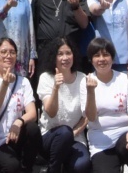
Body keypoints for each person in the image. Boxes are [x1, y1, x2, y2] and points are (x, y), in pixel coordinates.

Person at [81, 38, 128, 173]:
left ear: (113, 58)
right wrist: (90, 91)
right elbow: (90, 118)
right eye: (97, 55)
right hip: (101, 142)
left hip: (125, 134)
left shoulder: (124, 79)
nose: (101, 59)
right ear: (91, 60)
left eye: (106, 54)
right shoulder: (85, 82)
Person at [0, 37, 40, 173]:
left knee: (33, 129)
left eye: (12, 52)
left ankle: (27, 169)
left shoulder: (23, 81)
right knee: (12, 167)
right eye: (4, 52)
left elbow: (32, 113)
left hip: (16, 135)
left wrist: (19, 122)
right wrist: (5, 83)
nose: (8, 56)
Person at [36, 37, 90, 173]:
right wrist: (56, 88)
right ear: (53, 57)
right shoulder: (46, 77)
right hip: (50, 135)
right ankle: (53, 169)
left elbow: (87, 115)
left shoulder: (83, 78)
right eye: (60, 54)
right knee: (64, 132)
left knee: (81, 166)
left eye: (68, 53)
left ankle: (62, 164)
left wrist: (74, 133)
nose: (65, 58)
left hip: (75, 136)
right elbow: (51, 112)